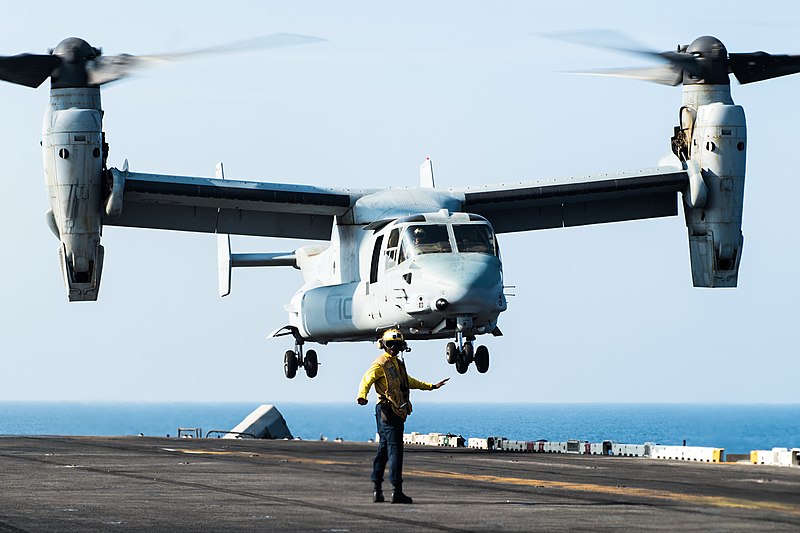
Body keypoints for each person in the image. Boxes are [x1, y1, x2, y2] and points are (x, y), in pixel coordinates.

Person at [357, 328, 449, 504]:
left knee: (384, 448)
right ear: (383, 345)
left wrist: (431, 386)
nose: (394, 347)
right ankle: (396, 491)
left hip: (389, 411)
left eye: (397, 344)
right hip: (389, 410)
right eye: (391, 344)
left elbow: (407, 381)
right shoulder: (381, 364)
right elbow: (366, 380)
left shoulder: (396, 364)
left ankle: (377, 489)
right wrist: (362, 396)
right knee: (395, 450)